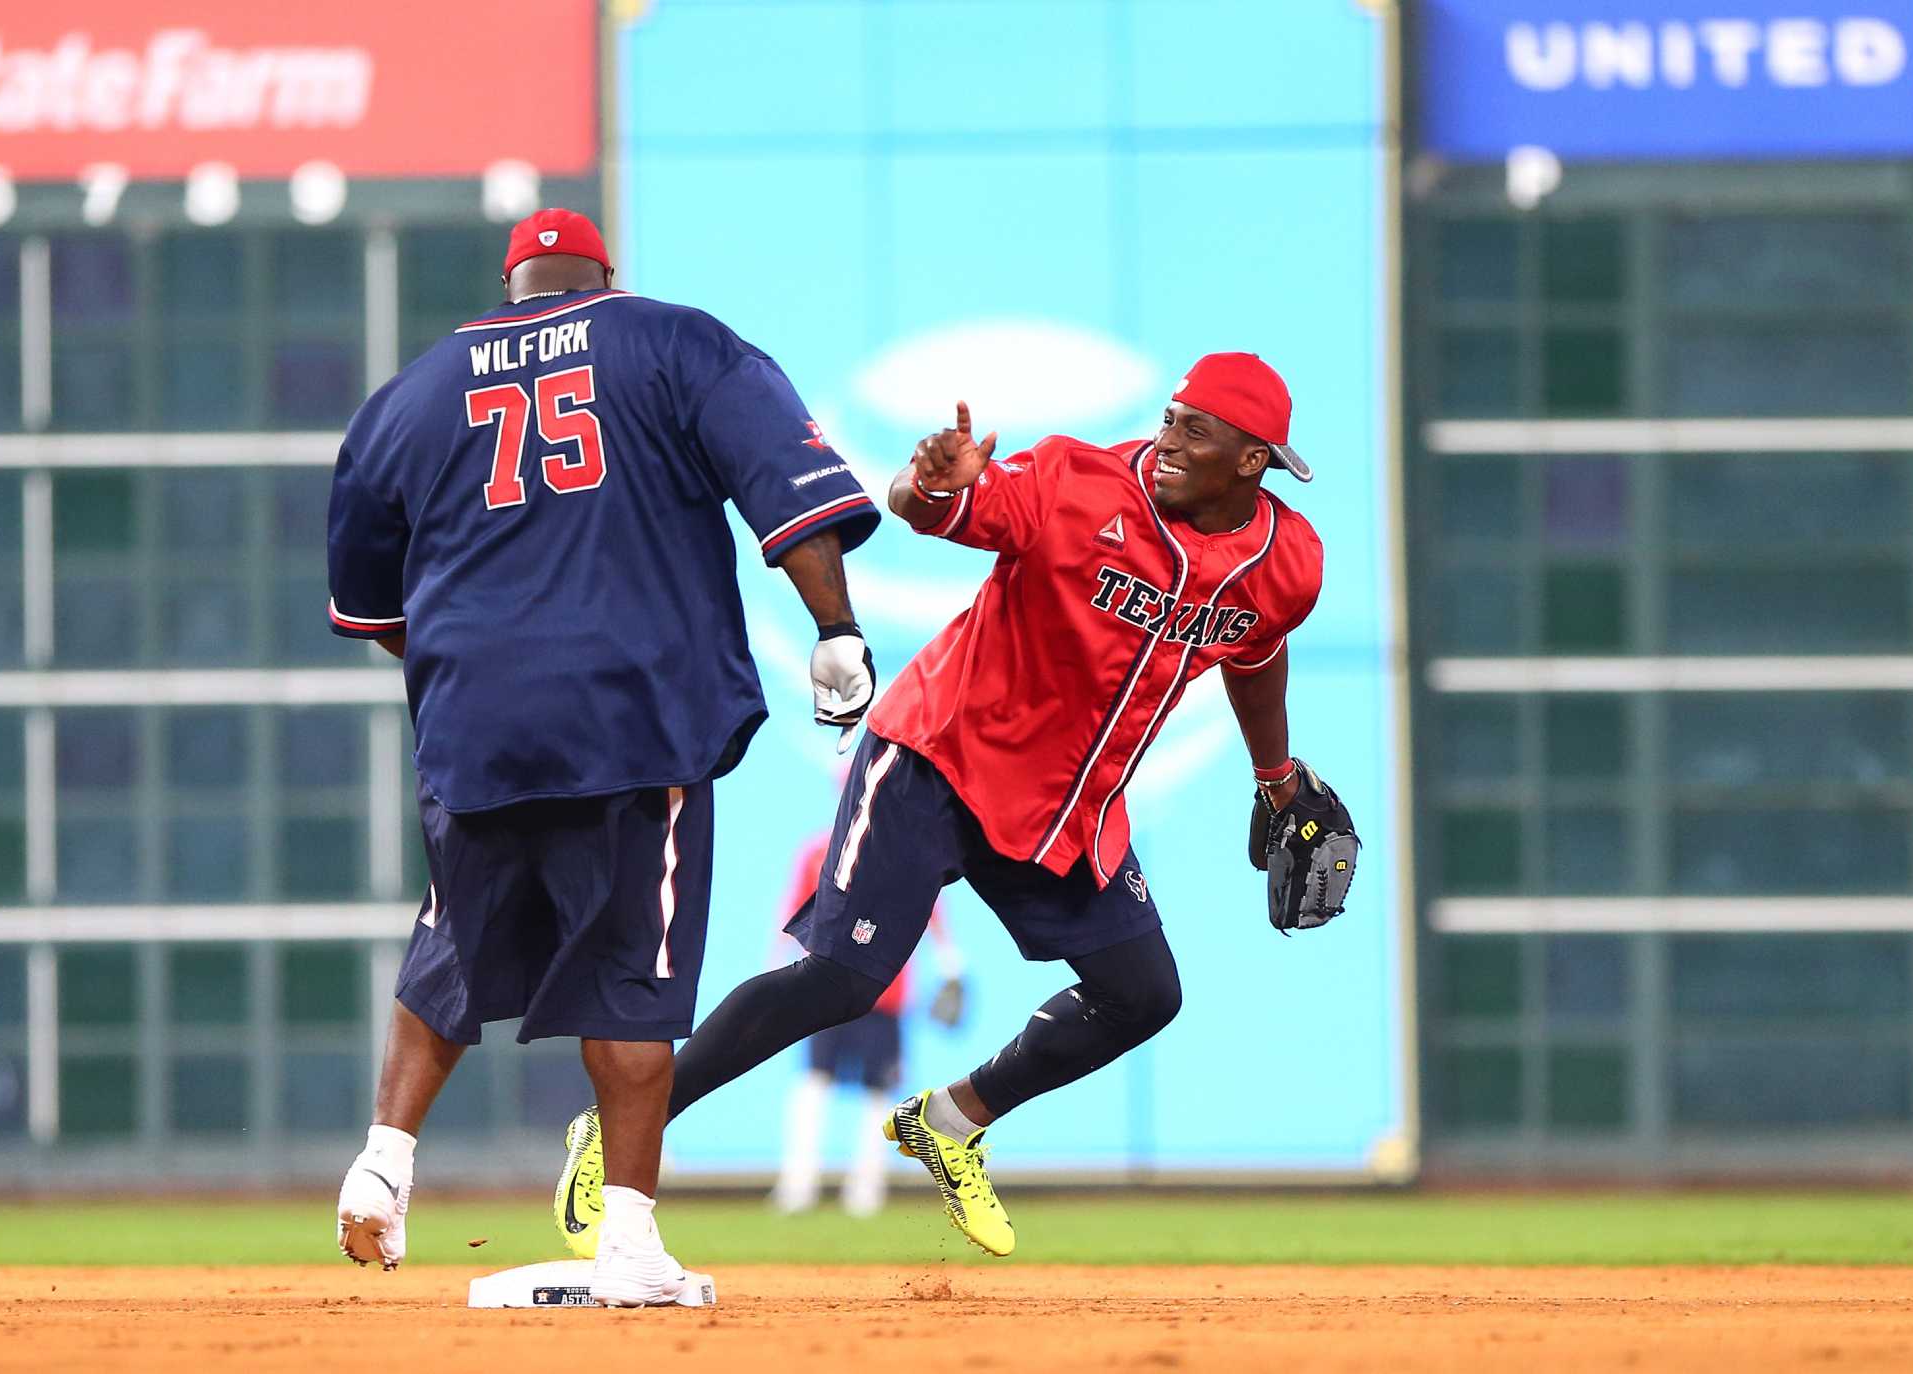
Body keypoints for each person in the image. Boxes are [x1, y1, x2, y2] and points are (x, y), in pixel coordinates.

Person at [556, 351, 1360, 1259]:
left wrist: (1277, 776)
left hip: (1066, 804)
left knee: (1143, 994)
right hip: (937, 759)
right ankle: (624, 1121)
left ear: (1253, 462)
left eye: (1194, 430)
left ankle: (948, 1122)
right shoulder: (1075, 481)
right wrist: (926, 485)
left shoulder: (1286, 560)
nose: (1166, 439)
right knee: (842, 979)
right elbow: (938, 510)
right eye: (1170, 417)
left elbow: (1253, 653)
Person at [325, 207, 880, 1305]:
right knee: (633, 974)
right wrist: (835, 627)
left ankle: (381, 1165)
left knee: (450, 935)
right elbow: (788, 490)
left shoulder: (407, 398)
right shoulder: (673, 340)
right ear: (601, 274)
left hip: (475, 720)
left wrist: (471, 669)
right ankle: (626, 1239)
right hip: (633, 711)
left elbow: (372, 606)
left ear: (513, 282)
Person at [767, 834, 964, 1217]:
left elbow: (931, 912)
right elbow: (794, 910)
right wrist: (775, 971)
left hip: (882, 994)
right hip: (827, 985)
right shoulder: (819, 850)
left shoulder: (908, 849)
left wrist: (949, 961)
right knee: (815, 1082)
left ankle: (866, 1186)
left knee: (875, 1089)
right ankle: (798, 1182)